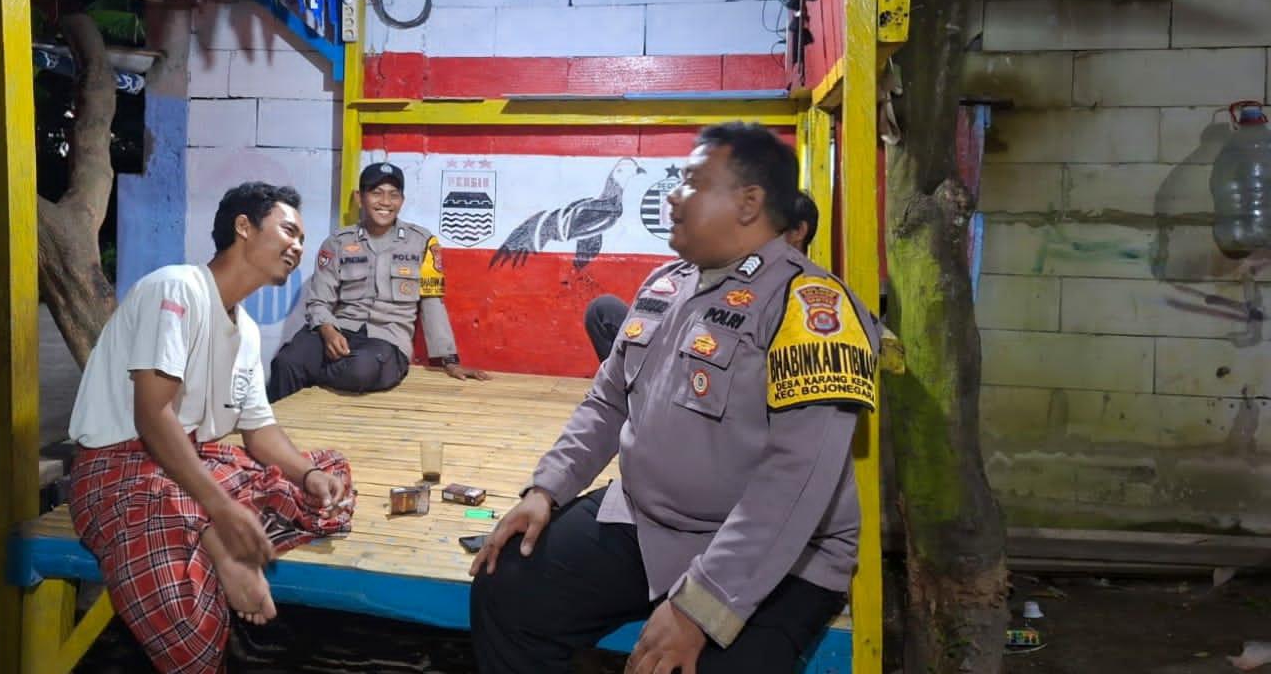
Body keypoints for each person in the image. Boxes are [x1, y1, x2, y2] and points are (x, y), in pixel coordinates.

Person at [471, 123, 880, 674]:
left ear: (748, 203)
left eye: (691, 182)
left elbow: (796, 484)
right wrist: (546, 489)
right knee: (507, 587)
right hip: (645, 522)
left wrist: (701, 606)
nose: (672, 196)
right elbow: (608, 401)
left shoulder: (810, 308)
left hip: (779, 553)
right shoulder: (666, 284)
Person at [66, 182, 355, 674]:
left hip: (187, 465)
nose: (297, 247)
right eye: (288, 231)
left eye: (302, 239)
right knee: (186, 622)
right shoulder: (176, 289)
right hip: (122, 471)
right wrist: (222, 508)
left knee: (329, 477)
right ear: (244, 226)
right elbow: (152, 415)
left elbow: (259, 430)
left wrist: (307, 475)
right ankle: (220, 544)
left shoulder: (245, 330)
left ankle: (212, 536)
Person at [266, 161, 488, 402]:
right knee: (286, 362)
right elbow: (319, 300)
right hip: (340, 330)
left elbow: (432, 302)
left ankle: (311, 377)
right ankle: (274, 421)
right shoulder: (338, 242)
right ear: (360, 198)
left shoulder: (423, 242)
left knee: (360, 371)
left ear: (402, 200)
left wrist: (450, 360)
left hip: (386, 340)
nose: (385, 202)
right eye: (376, 193)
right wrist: (328, 331)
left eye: (393, 195)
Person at [582, 187, 821, 362]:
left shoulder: (802, 296)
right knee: (604, 309)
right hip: (675, 355)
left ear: (798, 231)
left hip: (708, 377)